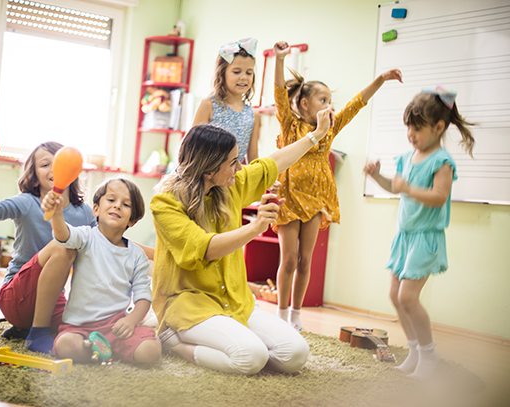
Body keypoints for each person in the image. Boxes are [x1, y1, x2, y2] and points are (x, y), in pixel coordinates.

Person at [151, 115, 332, 375]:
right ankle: (175, 345)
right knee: (251, 357)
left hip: (236, 301)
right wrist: (255, 227)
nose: (239, 168)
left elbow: (274, 162)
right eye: (233, 162)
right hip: (190, 303)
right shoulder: (165, 203)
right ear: (209, 170)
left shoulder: (230, 185)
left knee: (295, 354)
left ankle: (239, 343)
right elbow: (203, 248)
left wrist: (316, 135)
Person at [0, 138, 153, 355]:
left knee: (83, 325)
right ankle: (37, 333)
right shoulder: (26, 202)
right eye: (45, 164)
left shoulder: (84, 212)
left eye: (60, 163)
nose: (54, 169)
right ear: (34, 177)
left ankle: (27, 329)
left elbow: (114, 239)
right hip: (16, 296)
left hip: (53, 302)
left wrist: (159, 255)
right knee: (64, 246)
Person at [272, 41, 403, 332]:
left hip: (317, 199)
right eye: (323, 100)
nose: (329, 106)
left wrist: (380, 79)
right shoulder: (290, 126)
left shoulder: (330, 127)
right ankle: (280, 314)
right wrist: (280, 60)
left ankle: (296, 313)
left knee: (306, 260)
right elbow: (280, 94)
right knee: (289, 259)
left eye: (331, 101)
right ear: (304, 104)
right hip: (290, 198)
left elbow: (357, 103)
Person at [363, 86, 475, 379]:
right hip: (405, 235)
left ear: (439, 127)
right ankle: (414, 350)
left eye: (417, 129)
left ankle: (429, 353)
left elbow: (439, 196)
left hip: (426, 236)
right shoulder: (405, 157)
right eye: (408, 128)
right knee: (395, 295)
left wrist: (408, 189)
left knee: (409, 298)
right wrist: (377, 177)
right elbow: (395, 187)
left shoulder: (442, 162)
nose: (411, 135)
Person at [42, 177, 161, 364]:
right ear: (96, 209)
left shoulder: (137, 255)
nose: (117, 206)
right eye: (111, 200)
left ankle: (107, 350)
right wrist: (57, 213)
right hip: (79, 327)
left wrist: (131, 321)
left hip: (116, 326)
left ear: (133, 220)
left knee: (151, 350)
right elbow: (63, 235)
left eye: (126, 204)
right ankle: (99, 352)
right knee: (66, 345)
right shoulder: (85, 237)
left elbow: (143, 297)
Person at [192, 37, 260, 164]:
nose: (244, 77)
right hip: (204, 178)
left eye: (249, 73)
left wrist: (264, 181)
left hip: (233, 180)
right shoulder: (209, 105)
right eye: (236, 72)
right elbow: (191, 146)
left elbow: (253, 157)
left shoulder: (253, 115)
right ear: (222, 73)